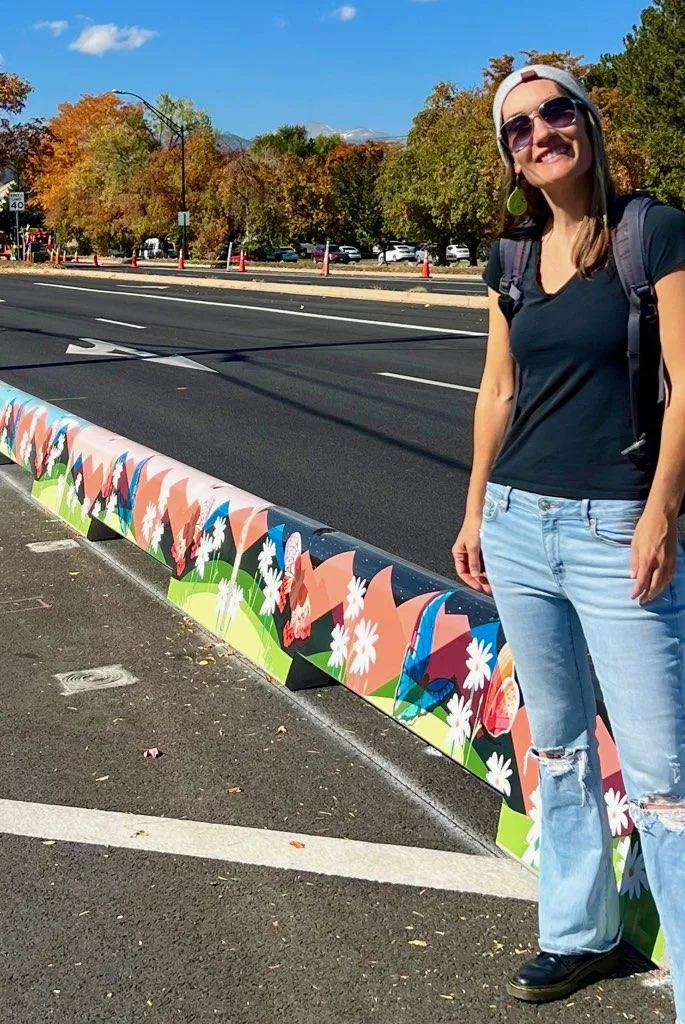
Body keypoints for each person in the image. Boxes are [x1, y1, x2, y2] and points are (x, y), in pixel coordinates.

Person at [451, 64, 685, 1020]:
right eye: (518, 128)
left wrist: (659, 511)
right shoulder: (509, 257)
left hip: (611, 528)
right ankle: (579, 934)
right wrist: (472, 511)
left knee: (666, 778)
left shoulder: (649, 233)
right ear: (509, 157)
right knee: (557, 750)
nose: (539, 133)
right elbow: (497, 392)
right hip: (514, 522)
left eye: (555, 114)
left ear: (585, 122)